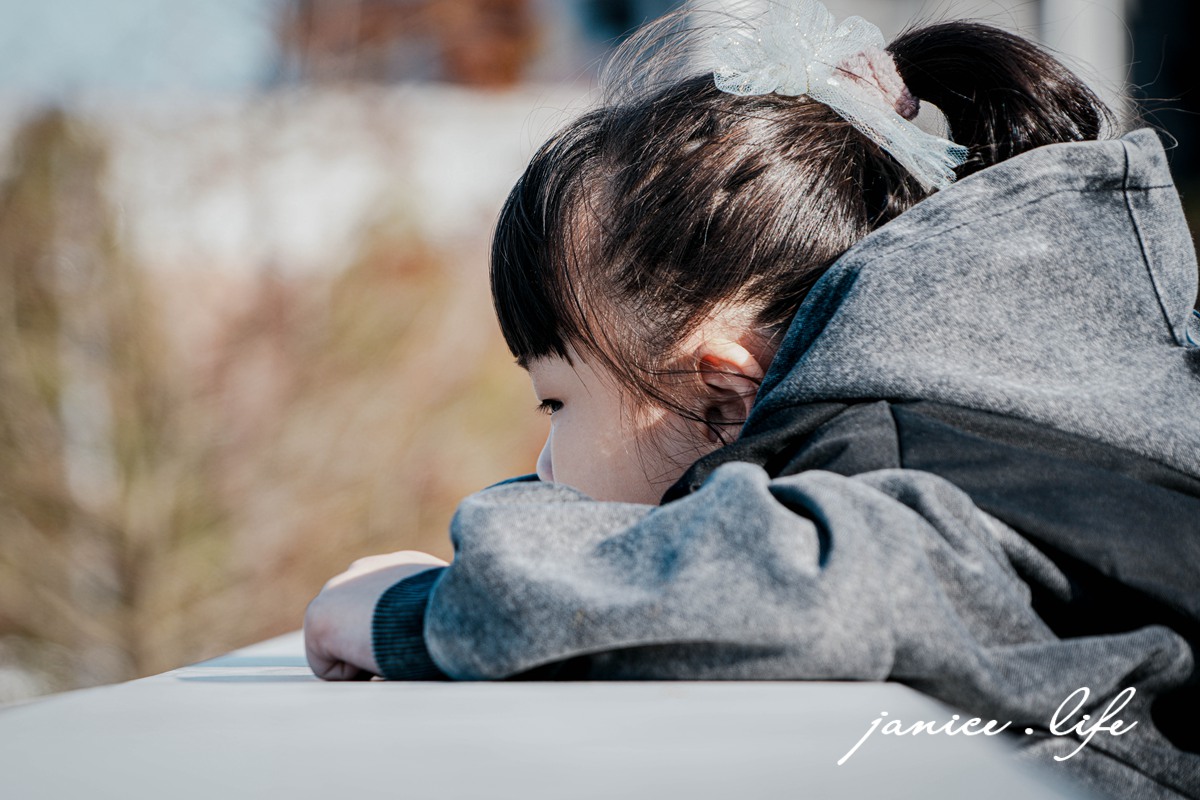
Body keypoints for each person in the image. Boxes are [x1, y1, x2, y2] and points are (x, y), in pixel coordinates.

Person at [303, 1, 1200, 796]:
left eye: (556, 406)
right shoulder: (1021, 426)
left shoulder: (893, 471)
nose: (539, 464)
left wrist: (417, 608)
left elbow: (789, 591)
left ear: (727, 399)